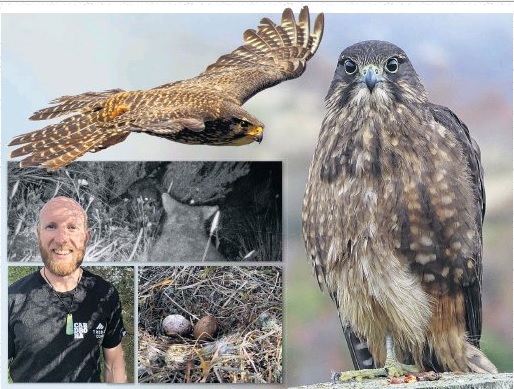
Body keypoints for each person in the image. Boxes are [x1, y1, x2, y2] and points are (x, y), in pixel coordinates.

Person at [8, 196, 128, 383]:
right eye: (51, 226)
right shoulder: (10, 299)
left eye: (72, 227)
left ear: (87, 237)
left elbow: (114, 362)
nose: (62, 239)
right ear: (37, 233)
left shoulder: (106, 294)